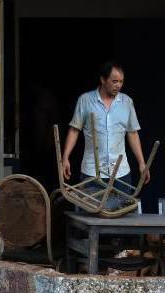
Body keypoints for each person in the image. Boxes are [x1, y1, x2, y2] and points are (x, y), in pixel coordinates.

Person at [61, 61, 149, 194]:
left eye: (121, 81)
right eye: (114, 81)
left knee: (120, 211)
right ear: (103, 79)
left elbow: (132, 133)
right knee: (90, 212)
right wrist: (65, 157)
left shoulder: (127, 102)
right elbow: (74, 130)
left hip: (121, 173)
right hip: (92, 171)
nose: (118, 85)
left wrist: (142, 163)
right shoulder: (85, 100)